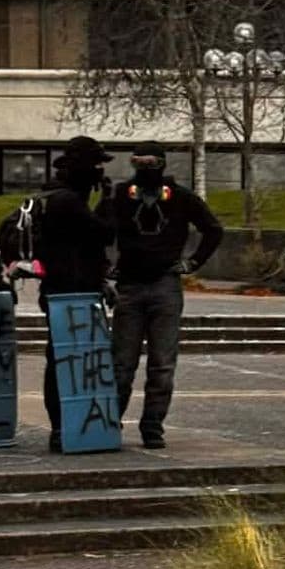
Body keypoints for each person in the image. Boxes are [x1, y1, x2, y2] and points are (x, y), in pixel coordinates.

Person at [110, 143, 224, 450]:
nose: (145, 168)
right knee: (122, 362)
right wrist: (106, 266)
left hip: (164, 284)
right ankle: (110, 422)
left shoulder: (182, 198)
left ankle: (152, 426)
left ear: (161, 164)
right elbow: (97, 229)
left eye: (150, 163)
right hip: (130, 284)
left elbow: (213, 229)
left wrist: (192, 263)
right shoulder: (121, 195)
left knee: (162, 364)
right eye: (138, 162)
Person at [36, 136, 116, 453]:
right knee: (64, 359)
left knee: (69, 358)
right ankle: (62, 426)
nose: (99, 172)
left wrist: (100, 282)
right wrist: (108, 200)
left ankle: (72, 422)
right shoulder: (66, 201)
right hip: (67, 292)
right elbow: (103, 232)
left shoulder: (62, 197)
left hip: (71, 288)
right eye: (96, 164)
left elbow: (86, 248)